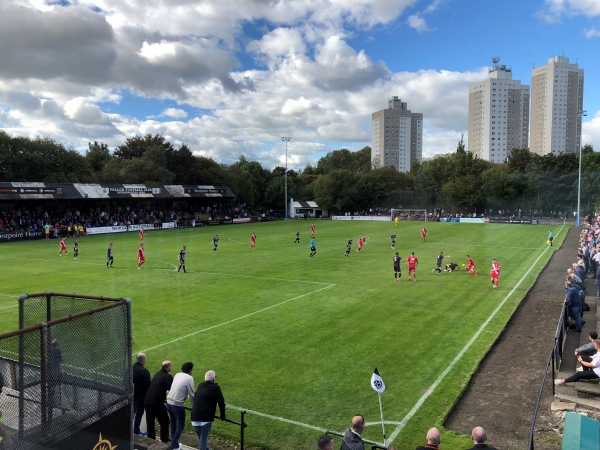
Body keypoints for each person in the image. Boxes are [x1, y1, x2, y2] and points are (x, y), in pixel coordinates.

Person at [191, 370, 226, 450]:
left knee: (202, 438)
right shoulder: (215, 387)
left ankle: (206, 448)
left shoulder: (200, 385)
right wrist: (223, 416)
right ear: (214, 379)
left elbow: (196, 396)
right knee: (203, 438)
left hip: (194, 416)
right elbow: (221, 403)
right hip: (205, 418)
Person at [167, 362, 195, 450]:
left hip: (168, 402)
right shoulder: (189, 378)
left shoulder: (177, 374)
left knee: (173, 422)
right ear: (190, 370)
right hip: (177, 405)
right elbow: (192, 395)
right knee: (181, 425)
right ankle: (174, 443)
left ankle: (174, 443)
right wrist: (194, 407)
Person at [145, 361, 173, 443]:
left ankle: (150, 440)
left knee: (150, 422)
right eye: (170, 366)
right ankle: (164, 440)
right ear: (168, 367)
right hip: (156, 403)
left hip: (147, 401)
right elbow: (172, 389)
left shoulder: (157, 374)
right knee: (165, 421)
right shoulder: (168, 377)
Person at [132, 352, 151, 436]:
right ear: (143, 360)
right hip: (140, 396)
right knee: (139, 413)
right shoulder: (144, 371)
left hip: (130, 394)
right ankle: (136, 431)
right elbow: (148, 386)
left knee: (132, 412)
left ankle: (129, 428)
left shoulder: (130, 368)